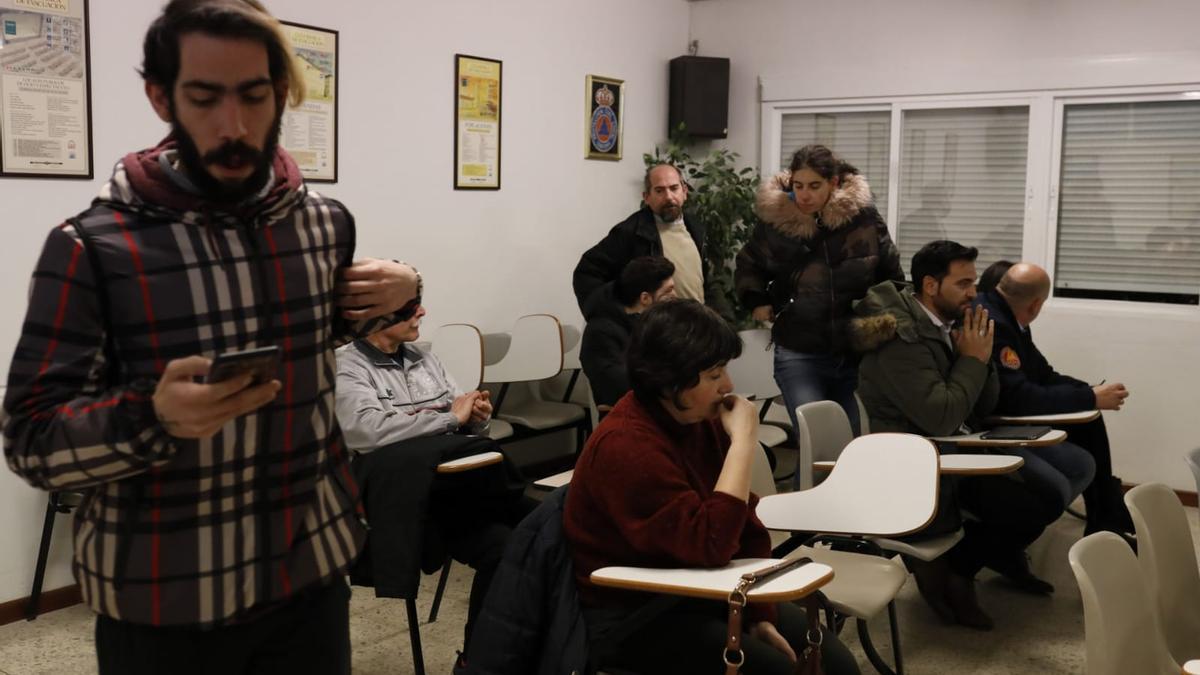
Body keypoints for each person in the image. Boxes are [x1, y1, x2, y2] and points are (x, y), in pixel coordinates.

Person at [1, 2, 419, 673]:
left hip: (309, 582)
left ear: (282, 91)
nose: (235, 126)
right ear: (161, 97)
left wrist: (408, 286)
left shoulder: (324, 225)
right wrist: (152, 416)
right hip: (165, 607)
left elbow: (320, 326)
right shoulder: (90, 249)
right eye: (204, 98)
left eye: (255, 96)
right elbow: (30, 440)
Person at [564, 299, 860, 675]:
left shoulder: (693, 420)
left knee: (836, 665)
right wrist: (743, 444)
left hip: (703, 588)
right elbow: (711, 544)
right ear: (668, 379)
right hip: (636, 611)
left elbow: (744, 525)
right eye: (713, 374)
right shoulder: (626, 445)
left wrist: (760, 615)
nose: (729, 386)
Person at [851, 241, 1072, 630]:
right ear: (931, 286)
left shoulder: (943, 323)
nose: (974, 292)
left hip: (953, 447)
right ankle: (958, 571)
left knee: (1050, 493)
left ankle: (962, 567)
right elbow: (941, 417)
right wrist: (971, 360)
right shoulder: (899, 339)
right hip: (915, 461)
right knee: (1032, 504)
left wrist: (980, 357)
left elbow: (980, 406)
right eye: (964, 283)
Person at [336, 300, 514, 662]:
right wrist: (450, 417)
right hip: (398, 508)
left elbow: (461, 415)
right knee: (512, 544)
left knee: (529, 540)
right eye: (411, 307)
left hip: (456, 492)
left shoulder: (423, 358)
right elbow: (366, 432)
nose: (423, 313)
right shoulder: (345, 366)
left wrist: (475, 416)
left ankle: (488, 660)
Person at [735, 144, 903, 435]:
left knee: (852, 443)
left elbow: (891, 276)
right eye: (798, 186)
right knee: (816, 440)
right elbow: (748, 263)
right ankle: (810, 483)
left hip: (855, 348)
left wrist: (880, 318)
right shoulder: (777, 221)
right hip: (798, 348)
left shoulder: (863, 219)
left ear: (834, 183)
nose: (804, 194)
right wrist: (756, 300)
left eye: (814, 186)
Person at [976, 262, 1135, 537]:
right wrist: (1088, 397)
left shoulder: (1009, 316)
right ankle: (1106, 514)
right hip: (989, 423)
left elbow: (1043, 375)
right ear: (1036, 305)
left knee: (1089, 421)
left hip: (1009, 410)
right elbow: (1017, 397)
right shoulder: (996, 323)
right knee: (1087, 425)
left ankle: (1105, 514)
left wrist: (1090, 391)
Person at [572, 163, 707, 319]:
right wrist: (621, 316)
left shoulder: (697, 228)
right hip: (659, 330)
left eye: (674, 188)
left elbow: (708, 280)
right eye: (659, 190)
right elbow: (587, 273)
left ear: (684, 192)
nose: (669, 197)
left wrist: (723, 319)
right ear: (646, 197)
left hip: (697, 328)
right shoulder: (630, 232)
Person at [579, 255, 676, 407]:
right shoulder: (600, 334)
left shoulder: (654, 324)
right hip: (630, 420)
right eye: (669, 291)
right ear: (645, 298)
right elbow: (618, 389)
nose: (675, 296)